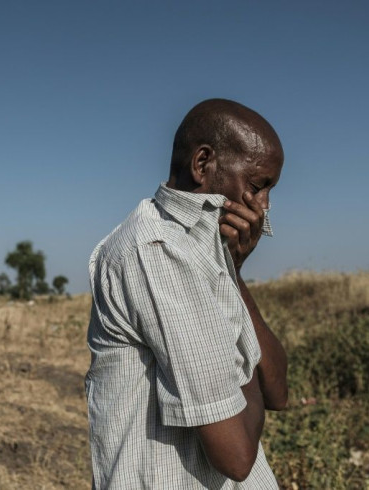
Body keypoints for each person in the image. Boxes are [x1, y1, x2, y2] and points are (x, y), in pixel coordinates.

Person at [85, 99, 289, 489]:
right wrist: (242, 369)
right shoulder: (159, 251)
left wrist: (234, 273)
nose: (262, 208)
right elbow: (237, 455)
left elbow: (278, 392)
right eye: (257, 186)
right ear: (202, 164)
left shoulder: (200, 252)